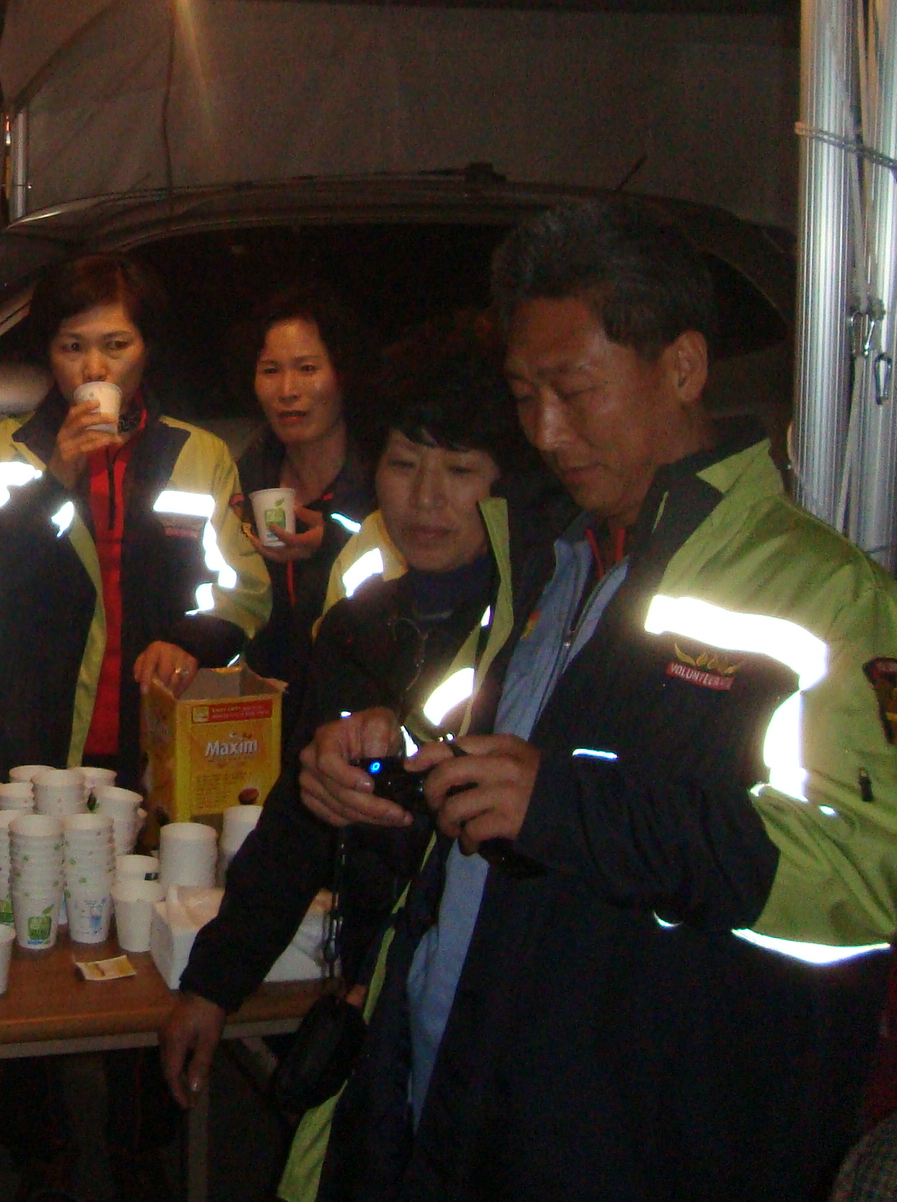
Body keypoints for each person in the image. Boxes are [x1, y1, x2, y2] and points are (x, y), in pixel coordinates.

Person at [283, 200, 897, 1201]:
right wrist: (381, 760)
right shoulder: (554, 559)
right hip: (447, 1091)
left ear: (682, 367)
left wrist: (572, 810)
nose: (545, 432)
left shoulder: (823, 598)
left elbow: (867, 874)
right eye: (524, 395)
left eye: (572, 391)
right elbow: (495, 759)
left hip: (620, 1141)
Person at [159, 318, 554, 1140]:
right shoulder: (357, 627)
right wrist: (212, 983)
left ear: (508, 484)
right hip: (379, 981)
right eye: (404, 465)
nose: (426, 497)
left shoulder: (541, 633)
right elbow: (299, 821)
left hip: (506, 1002)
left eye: (460, 471)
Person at [0, 252, 271, 1199]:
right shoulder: (0, 453)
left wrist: (193, 639)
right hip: (35, 738)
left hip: (154, 749)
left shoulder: (196, 455)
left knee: (152, 943)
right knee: (28, 944)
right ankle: (39, 1153)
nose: (94, 367)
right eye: (72, 345)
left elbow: (244, 590)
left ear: (146, 351)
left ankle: (142, 1146)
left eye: (115, 345)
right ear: (45, 355)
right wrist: (55, 478)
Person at [233, 288, 375, 701]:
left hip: (355, 713)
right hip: (257, 715)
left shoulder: (380, 482)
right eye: (270, 370)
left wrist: (335, 543)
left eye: (307, 368)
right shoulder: (243, 480)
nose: (287, 390)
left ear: (343, 374)